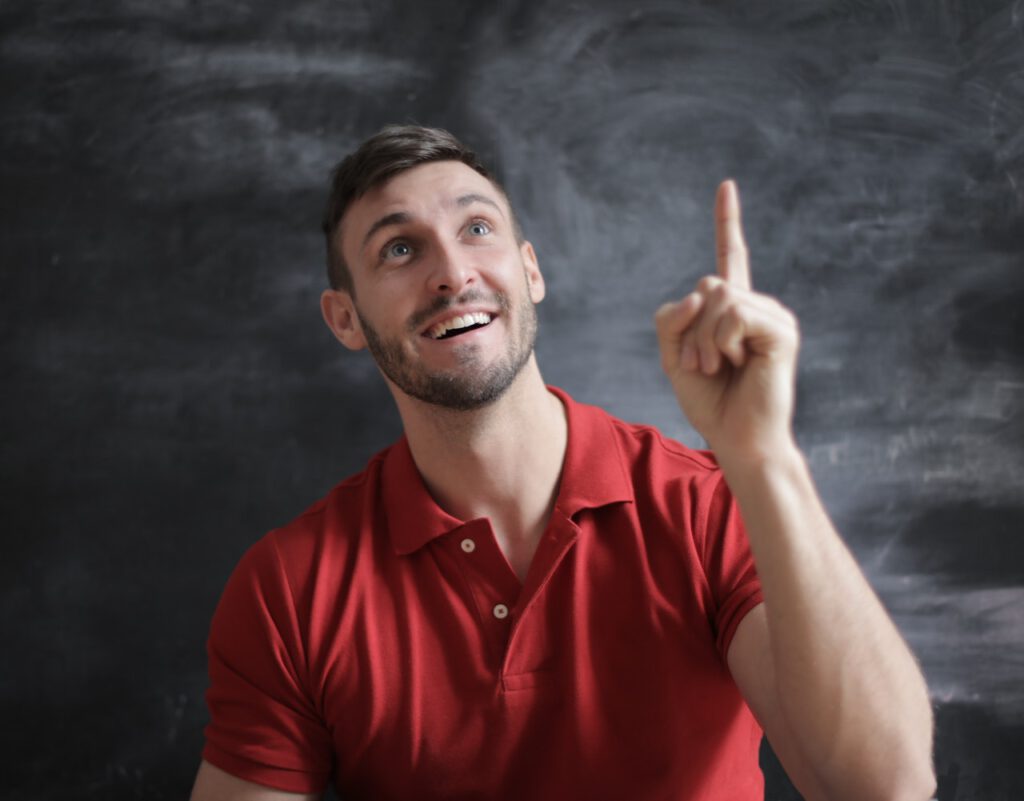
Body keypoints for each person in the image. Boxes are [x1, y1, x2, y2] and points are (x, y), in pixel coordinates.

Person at [189, 125, 936, 800]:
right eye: (400, 248)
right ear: (345, 319)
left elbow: (884, 786)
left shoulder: (713, 505)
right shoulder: (288, 588)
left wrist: (765, 456)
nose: (452, 272)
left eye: (476, 228)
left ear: (531, 272)